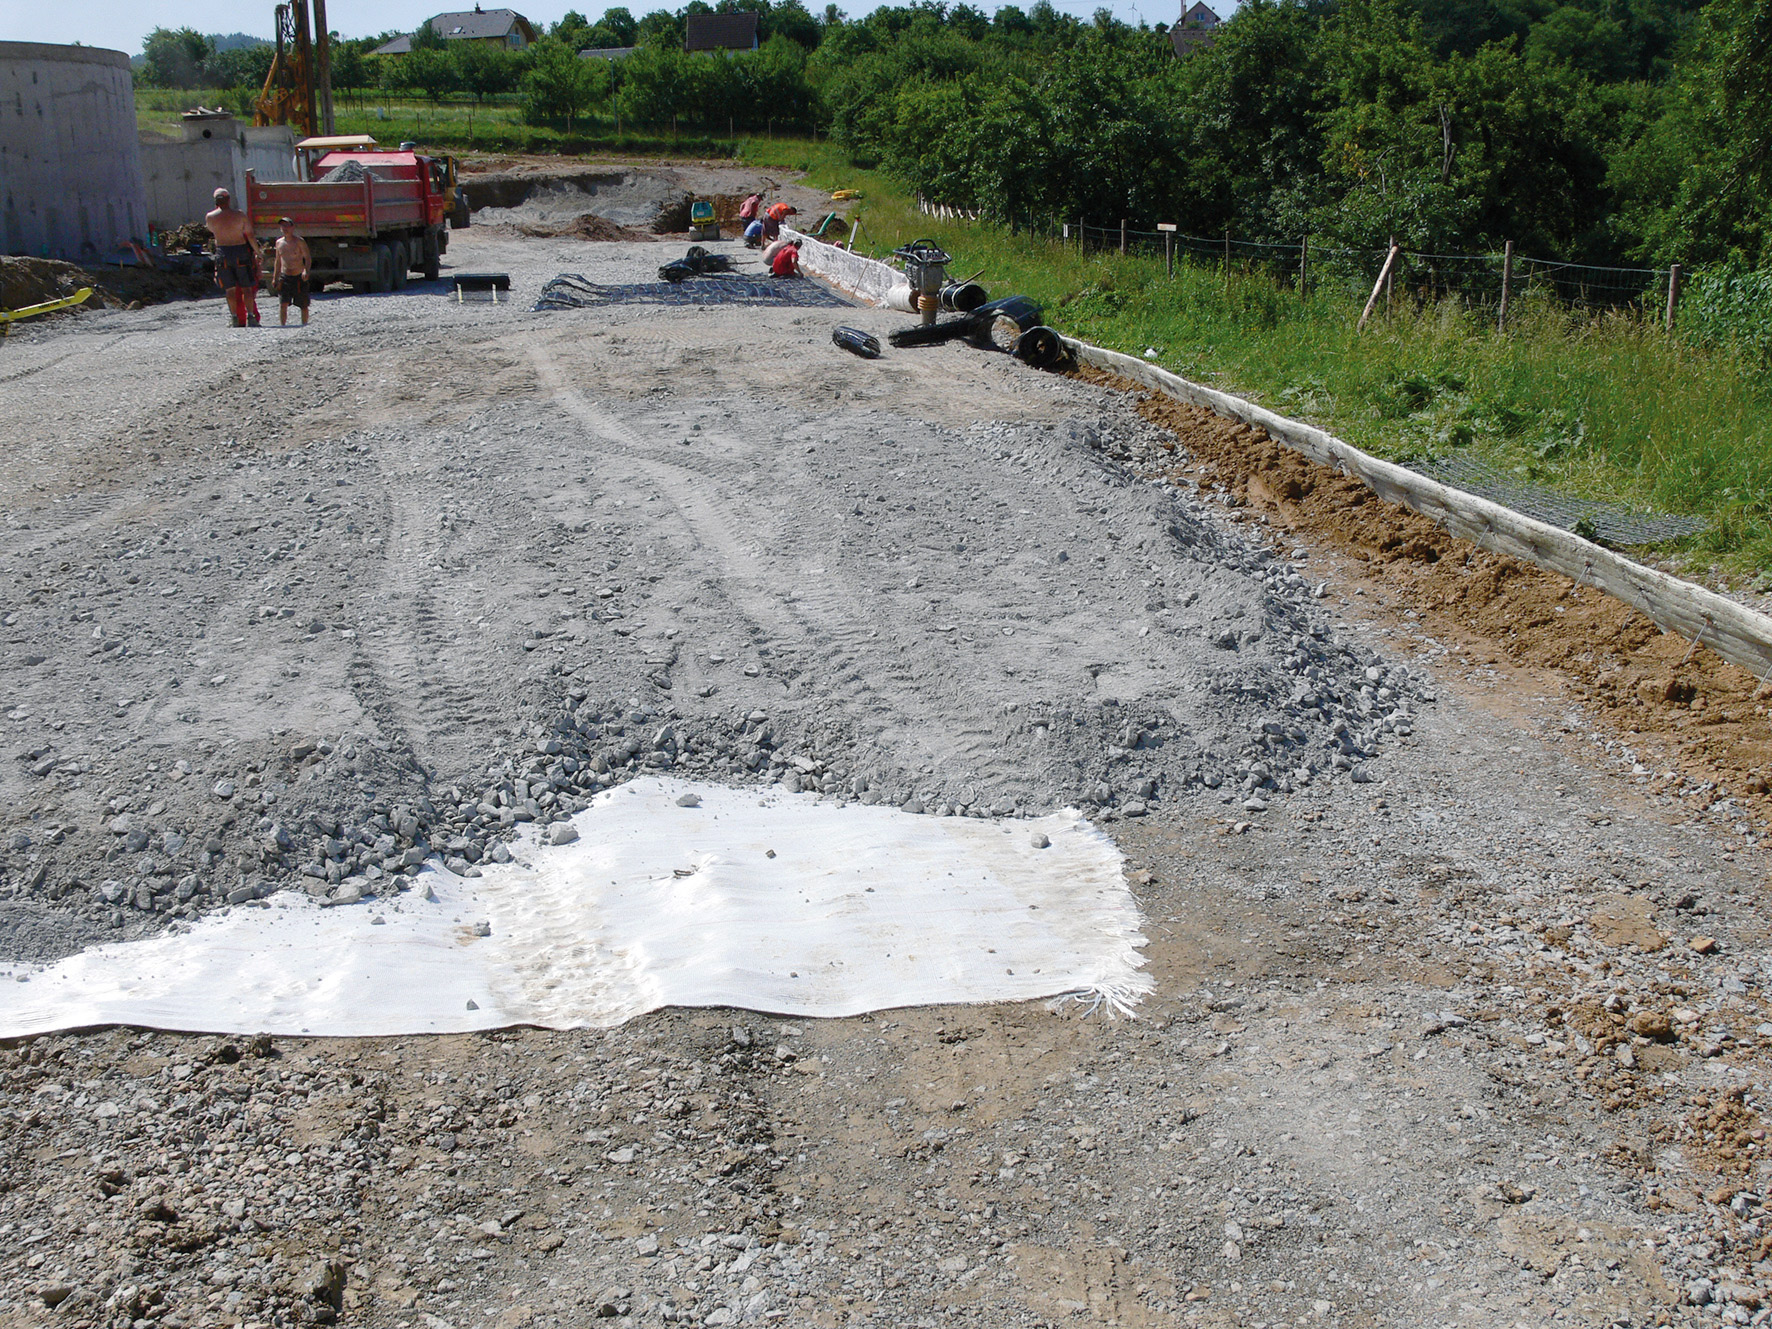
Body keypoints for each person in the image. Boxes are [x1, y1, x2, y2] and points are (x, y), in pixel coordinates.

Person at [205, 187, 261, 327]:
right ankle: (251, 317)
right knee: (246, 288)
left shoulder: (211, 217)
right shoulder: (240, 215)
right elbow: (250, 235)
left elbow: (211, 231)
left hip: (223, 252)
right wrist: (258, 252)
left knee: (230, 289)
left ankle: (234, 318)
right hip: (240, 251)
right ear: (229, 200)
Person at [271, 217, 313, 327]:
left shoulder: (299, 241)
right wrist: (275, 277)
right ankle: (283, 326)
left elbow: (307, 258)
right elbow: (278, 261)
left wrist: (306, 271)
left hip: (299, 276)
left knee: (303, 304)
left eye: (287, 226)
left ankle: (304, 325)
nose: (285, 228)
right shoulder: (279, 243)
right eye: (282, 226)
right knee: (283, 303)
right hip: (285, 277)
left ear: (292, 227)